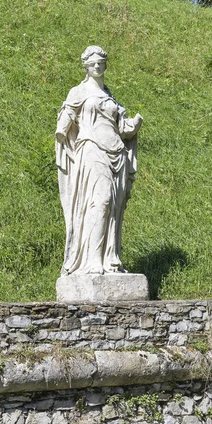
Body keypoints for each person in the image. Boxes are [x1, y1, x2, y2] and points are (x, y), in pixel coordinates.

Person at [55, 45, 143, 275]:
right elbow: (67, 117)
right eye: (93, 62)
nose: (97, 65)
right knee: (100, 201)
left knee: (114, 207)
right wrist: (62, 128)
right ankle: (91, 260)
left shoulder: (110, 95)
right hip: (91, 149)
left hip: (116, 152)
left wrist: (133, 125)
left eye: (101, 62)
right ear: (85, 65)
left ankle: (109, 260)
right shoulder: (78, 92)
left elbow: (121, 127)